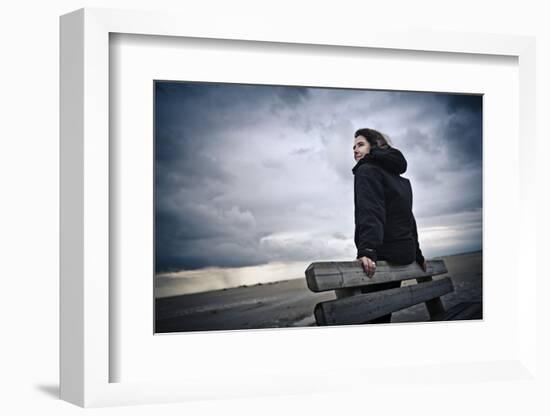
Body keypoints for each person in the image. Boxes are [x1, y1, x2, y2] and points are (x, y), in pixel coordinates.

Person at [352, 128, 426, 322]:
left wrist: (367, 249)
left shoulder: (366, 170)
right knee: (382, 316)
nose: (355, 150)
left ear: (374, 145)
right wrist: (417, 254)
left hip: (383, 255)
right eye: (353, 147)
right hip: (402, 254)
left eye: (360, 144)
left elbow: (370, 211)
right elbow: (408, 219)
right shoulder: (399, 179)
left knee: (370, 319)